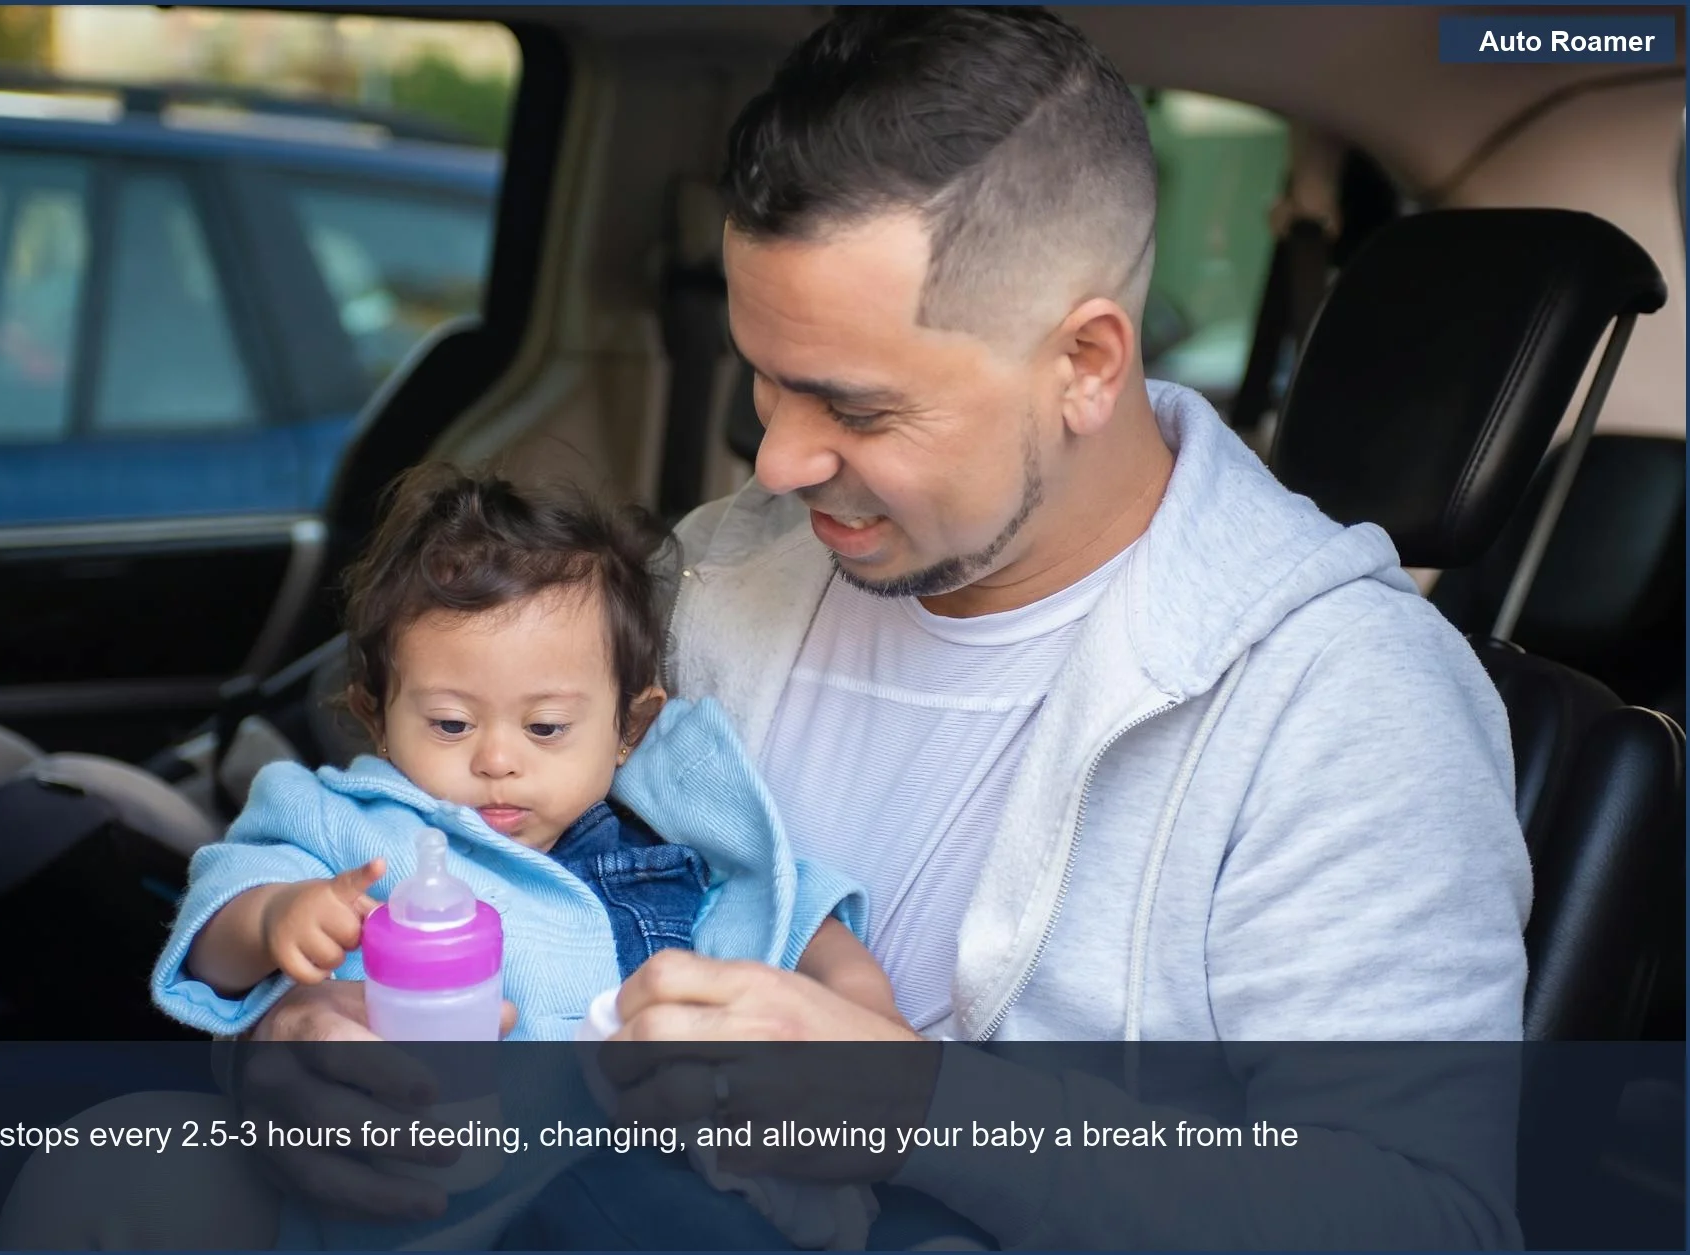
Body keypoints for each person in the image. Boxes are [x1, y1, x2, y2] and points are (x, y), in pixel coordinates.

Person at [249, 7, 1532, 1248]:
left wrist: (921, 1107)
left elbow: (1422, 1217)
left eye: (855, 409)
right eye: (765, 380)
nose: (777, 461)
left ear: (1085, 364)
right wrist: (301, 1048)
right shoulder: (715, 575)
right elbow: (474, 883)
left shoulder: (1340, 699)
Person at [151, 464, 901, 1040]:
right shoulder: (342, 827)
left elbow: (792, 914)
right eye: (451, 724)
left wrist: (864, 1010)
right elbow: (212, 938)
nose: (497, 761)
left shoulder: (667, 849)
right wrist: (274, 918)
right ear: (376, 716)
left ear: (630, 727)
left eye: (545, 728)